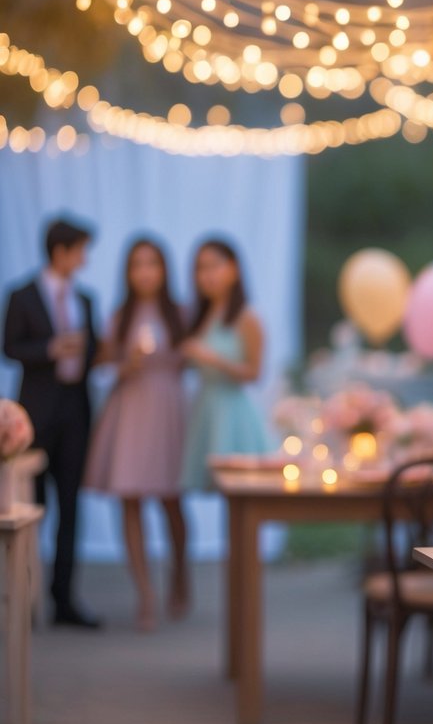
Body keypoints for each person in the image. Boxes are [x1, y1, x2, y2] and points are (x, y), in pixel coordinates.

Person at [85, 239, 188, 631]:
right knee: (130, 499)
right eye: (137, 264)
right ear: (127, 272)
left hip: (167, 411)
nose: (145, 271)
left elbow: (187, 362)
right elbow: (102, 363)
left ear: (164, 270)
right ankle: (144, 593)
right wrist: (125, 364)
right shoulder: (119, 317)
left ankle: (180, 570)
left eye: (152, 263)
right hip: (129, 409)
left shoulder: (180, 314)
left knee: (172, 500)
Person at [3, 217, 99, 627]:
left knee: (71, 507)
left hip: (75, 412)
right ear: (60, 251)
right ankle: (23, 596)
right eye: (79, 250)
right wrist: (50, 348)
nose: (84, 259)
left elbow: (94, 349)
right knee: (29, 505)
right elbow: (10, 346)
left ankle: (64, 599)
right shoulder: (22, 294)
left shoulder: (85, 299)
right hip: (37, 415)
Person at [180, 239, 269, 490]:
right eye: (200, 269)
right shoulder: (200, 316)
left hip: (233, 411)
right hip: (205, 407)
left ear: (233, 269)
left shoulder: (247, 317)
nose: (207, 276)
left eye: (214, 266)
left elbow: (255, 372)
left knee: (241, 492)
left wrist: (215, 360)